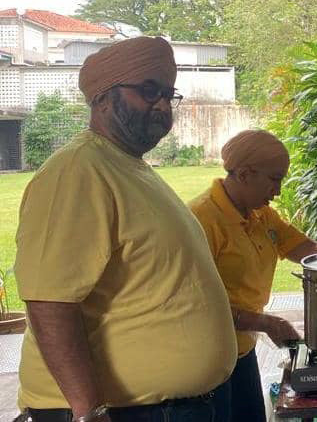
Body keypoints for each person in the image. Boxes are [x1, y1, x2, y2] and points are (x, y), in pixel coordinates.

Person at [14, 37, 237, 422]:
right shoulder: (77, 170)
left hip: (164, 409)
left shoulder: (128, 167)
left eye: (168, 94)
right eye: (149, 91)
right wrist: (88, 411)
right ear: (103, 97)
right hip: (118, 413)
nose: (162, 105)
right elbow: (49, 302)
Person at [189, 129, 317, 422]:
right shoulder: (201, 219)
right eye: (274, 179)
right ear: (246, 174)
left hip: (241, 348)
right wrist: (266, 323)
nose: (277, 191)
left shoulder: (260, 213)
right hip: (207, 357)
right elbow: (196, 303)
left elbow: (306, 249)